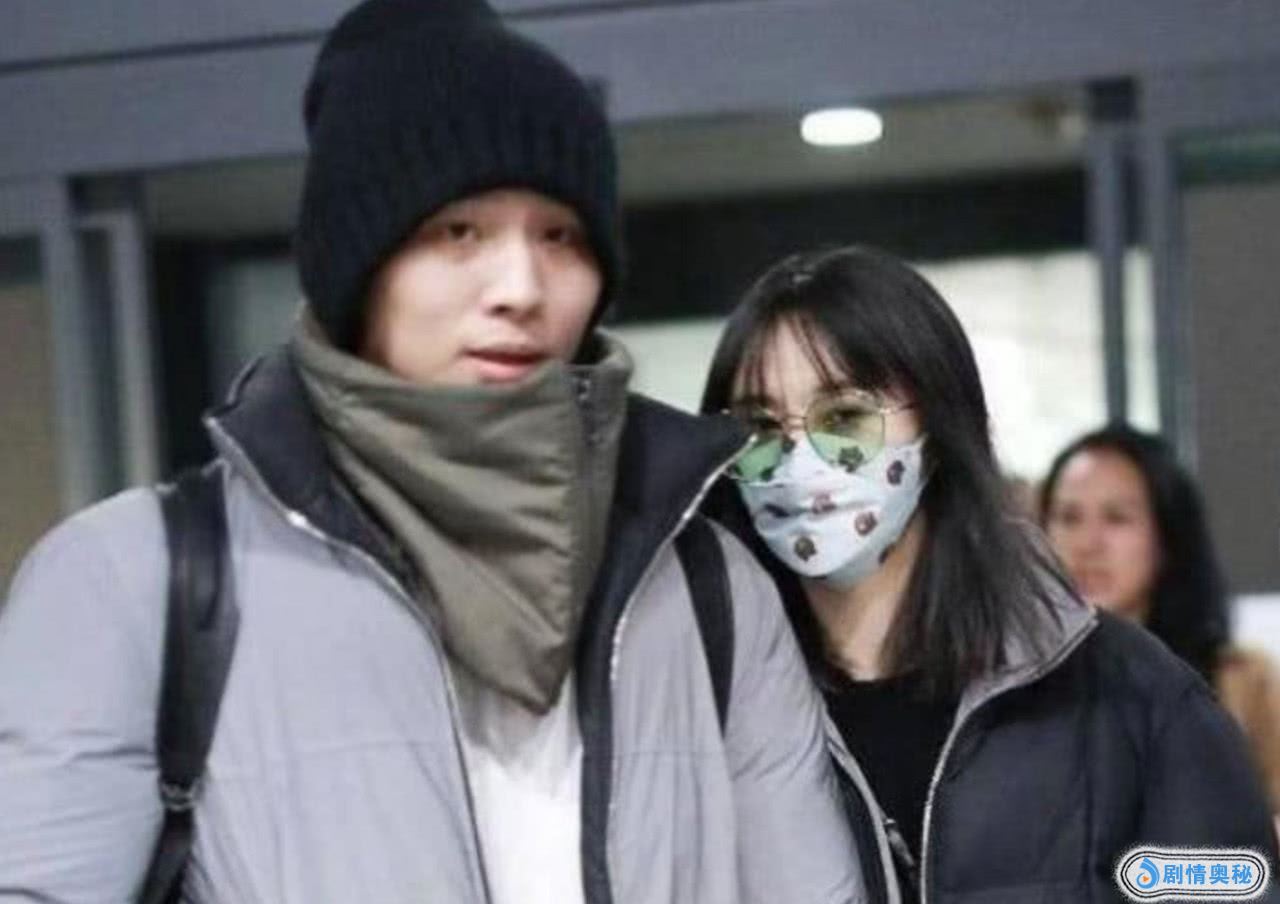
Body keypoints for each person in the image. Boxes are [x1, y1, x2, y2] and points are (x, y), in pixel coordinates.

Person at [0, 2, 866, 901]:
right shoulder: (143, 582)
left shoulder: (707, 586)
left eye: (560, 236)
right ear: (359, 265)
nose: (521, 286)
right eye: (460, 232)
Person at [699, 245, 1280, 904]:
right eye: (759, 428)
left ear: (937, 425)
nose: (799, 459)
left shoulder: (1130, 698)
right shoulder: (709, 715)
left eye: (845, 418)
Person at [1042, 424, 1280, 815]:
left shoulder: (1243, 681)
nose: (1087, 544)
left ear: (1167, 536)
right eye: (1068, 518)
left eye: (1117, 518)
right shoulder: (1012, 685)